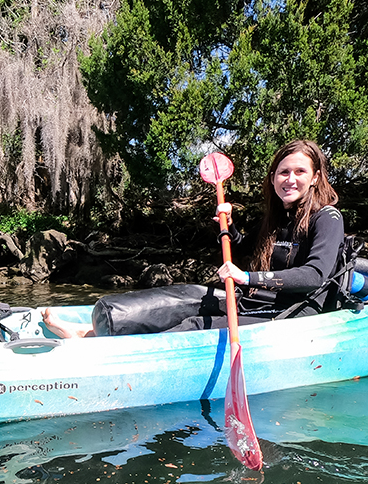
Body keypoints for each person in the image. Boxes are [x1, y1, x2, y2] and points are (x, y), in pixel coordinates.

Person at [41, 139, 345, 337]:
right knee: (184, 297)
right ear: (273, 177)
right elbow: (244, 250)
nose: (290, 179)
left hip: (293, 314)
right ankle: (91, 330)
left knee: (193, 327)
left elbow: (314, 275)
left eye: (299, 172)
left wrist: (249, 277)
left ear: (315, 176)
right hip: (253, 303)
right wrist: (229, 228)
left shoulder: (327, 218)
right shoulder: (277, 216)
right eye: (283, 172)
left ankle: (89, 343)